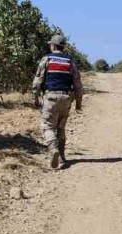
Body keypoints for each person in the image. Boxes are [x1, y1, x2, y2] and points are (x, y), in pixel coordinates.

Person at [32, 35, 84, 169]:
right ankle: (61, 157)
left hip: (50, 98)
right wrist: (78, 103)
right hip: (66, 99)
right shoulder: (70, 61)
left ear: (53, 46)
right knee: (61, 128)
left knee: (47, 126)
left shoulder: (47, 59)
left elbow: (38, 80)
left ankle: (53, 150)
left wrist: (35, 97)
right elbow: (78, 84)